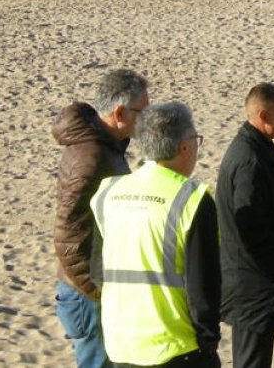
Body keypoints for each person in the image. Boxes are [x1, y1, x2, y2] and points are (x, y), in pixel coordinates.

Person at [91, 102, 221, 368]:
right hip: (176, 344)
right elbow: (203, 286)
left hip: (121, 344)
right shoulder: (192, 199)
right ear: (184, 147)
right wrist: (208, 342)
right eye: (195, 140)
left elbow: (97, 271)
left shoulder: (109, 192)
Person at [53, 68, 150, 368]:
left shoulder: (106, 146)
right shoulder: (91, 157)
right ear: (120, 112)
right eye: (142, 113)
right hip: (88, 296)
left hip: (95, 287)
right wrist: (99, 292)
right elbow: (68, 236)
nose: (145, 121)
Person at [215, 83, 274, 368]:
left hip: (256, 281)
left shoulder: (257, 149)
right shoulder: (250, 160)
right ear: (263, 117)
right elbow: (248, 228)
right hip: (252, 285)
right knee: (251, 360)